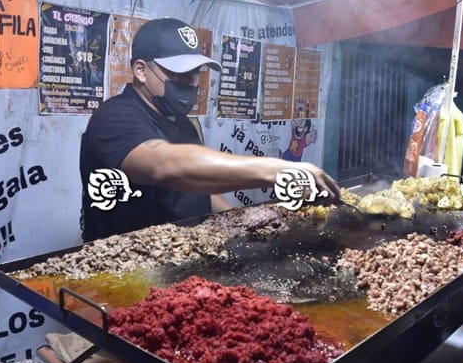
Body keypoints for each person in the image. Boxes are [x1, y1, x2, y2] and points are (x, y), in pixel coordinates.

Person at [79, 17, 339, 242]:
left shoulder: (181, 122)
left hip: (180, 255)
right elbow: (162, 165)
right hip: (126, 269)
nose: (190, 83)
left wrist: (237, 224)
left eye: (195, 74)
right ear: (141, 70)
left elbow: (198, 188)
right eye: (179, 73)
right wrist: (277, 170)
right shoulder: (114, 117)